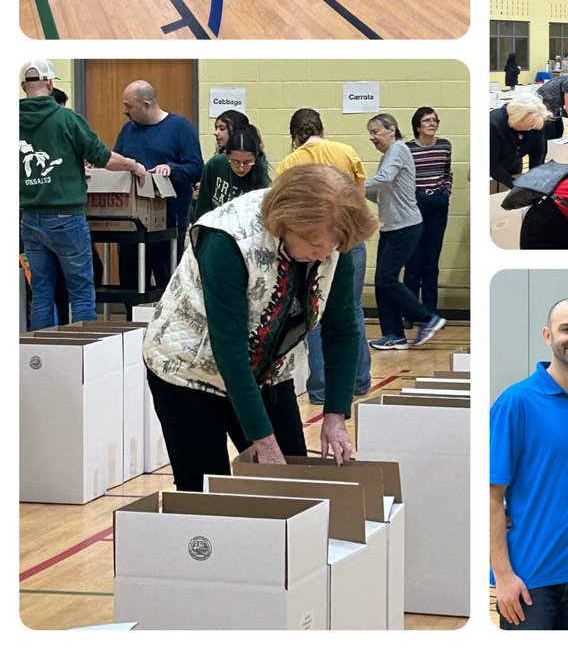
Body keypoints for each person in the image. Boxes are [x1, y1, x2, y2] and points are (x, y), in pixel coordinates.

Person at [142, 164, 376, 491]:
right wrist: (264, 443)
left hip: (266, 372)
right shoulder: (227, 239)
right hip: (188, 371)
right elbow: (230, 348)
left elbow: (343, 330)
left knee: (291, 485)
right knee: (205, 492)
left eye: (333, 245)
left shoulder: (332, 241)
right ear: (287, 224)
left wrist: (336, 414)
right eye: (315, 244)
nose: (324, 254)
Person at [490, 298, 568, 629]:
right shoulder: (515, 402)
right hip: (529, 578)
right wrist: (503, 575)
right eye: (567, 329)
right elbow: (491, 495)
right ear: (548, 335)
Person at [20, 58, 145, 329]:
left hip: (29, 218)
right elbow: (103, 157)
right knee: (81, 291)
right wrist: (133, 165)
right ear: (50, 83)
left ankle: (42, 351)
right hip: (65, 217)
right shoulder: (66, 119)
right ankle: (83, 349)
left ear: (22, 86)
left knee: (41, 293)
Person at [276, 108, 370, 406]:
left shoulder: (289, 163)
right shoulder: (346, 152)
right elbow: (359, 198)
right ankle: (360, 380)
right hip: (349, 238)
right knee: (352, 311)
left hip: (311, 244)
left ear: (294, 136)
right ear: (322, 129)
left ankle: (319, 389)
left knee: (314, 314)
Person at [364, 113, 444, 350]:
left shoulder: (398, 149)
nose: (372, 137)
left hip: (406, 226)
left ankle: (427, 318)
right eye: (370, 133)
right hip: (391, 227)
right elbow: (379, 193)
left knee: (387, 279)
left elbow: (384, 177)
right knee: (382, 282)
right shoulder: (388, 155)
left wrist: (352, 185)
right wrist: (356, 191)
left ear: (391, 129)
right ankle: (394, 335)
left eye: (375, 131)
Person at [114, 79, 204, 290]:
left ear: (146, 105)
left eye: (129, 106)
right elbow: (116, 160)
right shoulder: (127, 130)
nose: (125, 111)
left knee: (167, 283)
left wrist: (171, 169)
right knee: (130, 284)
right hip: (131, 221)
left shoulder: (180, 127)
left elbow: (196, 168)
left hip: (168, 221)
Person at [402, 107, 453, 315]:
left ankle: (430, 312)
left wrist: (445, 191)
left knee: (431, 263)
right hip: (415, 205)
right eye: (427, 120)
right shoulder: (407, 149)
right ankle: (411, 312)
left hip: (438, 205)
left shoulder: (444, 145)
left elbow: (447, 171)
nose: (432, 124)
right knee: (413, 262)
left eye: (434, 120)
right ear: (417, 126)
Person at [194, 125, 270, 221]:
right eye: (235, 162)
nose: (241, 168)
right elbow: (203, 206)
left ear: (256, 156)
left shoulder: (262, 178)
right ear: (226, 154)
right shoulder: (214, 165)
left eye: (247, 162)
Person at [490, 96, 548, 189]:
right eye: (526, 125)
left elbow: (537, 154)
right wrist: (516, 186)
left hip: (514, 162)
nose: (529, 129)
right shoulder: (492, 125)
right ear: (517, 118)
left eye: (532, 126)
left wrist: (534, 180)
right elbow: (491, 165)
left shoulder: (535, 123)